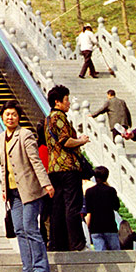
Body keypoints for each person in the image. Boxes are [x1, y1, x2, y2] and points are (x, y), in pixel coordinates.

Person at [0, 103, 54, 272]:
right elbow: (4, 166)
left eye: (14, 115)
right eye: (7, 114)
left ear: (19, 117)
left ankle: (41, 267)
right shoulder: (1, 138)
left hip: (29, 189)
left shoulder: (25, 135)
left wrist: (46, 184)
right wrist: (3, 188)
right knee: (19, 229)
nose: (10, 118)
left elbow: (35, 161)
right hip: (13, 191)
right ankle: (27, 268)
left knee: (31, 227)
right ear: (2, 116)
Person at [45, 84, 88, 252]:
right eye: (66, 100)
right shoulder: (60, 117)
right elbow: (65, 140)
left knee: (57, 207)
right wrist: (81, 141)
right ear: (58, 102)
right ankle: (77, 243)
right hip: (68, 167)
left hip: (54, 168)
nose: (68, 103)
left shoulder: (48, 119)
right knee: (72, 205)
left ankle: (57, 243)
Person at [83, 165, 121, 251]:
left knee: (101, 256)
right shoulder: (111, 191)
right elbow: (116, 207)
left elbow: (88, 212)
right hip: (110, 227)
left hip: (95, 228)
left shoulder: (89, 192)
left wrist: (88, 227)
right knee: (116, 255)